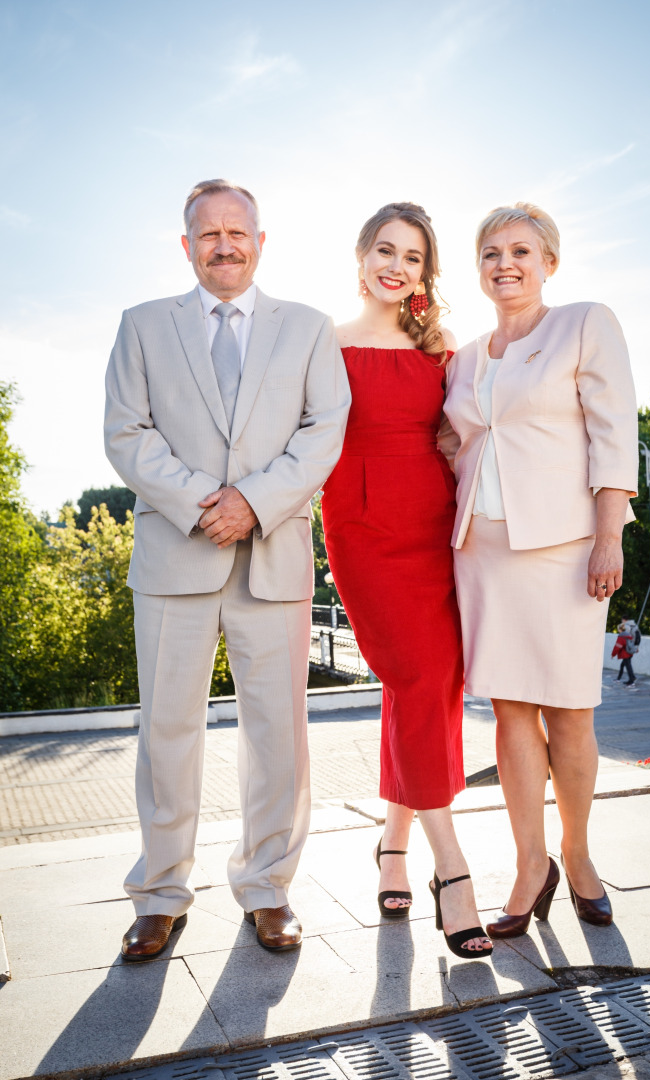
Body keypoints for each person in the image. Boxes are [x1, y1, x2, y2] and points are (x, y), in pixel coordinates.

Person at [104, 179, 351, 959]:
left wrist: (253, 502)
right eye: (206, 233)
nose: (223, 244)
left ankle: (268, 888)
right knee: (167, 731)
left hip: (272, 558)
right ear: (186, 245)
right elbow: (126, 433)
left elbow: (324, 432)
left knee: (278, 736)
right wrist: (205, 504)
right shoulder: (141, 326)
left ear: (260, 240)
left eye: (236, 231)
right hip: (175, 555)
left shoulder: (309, 329)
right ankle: (160, 892)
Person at [440, 202, 638, 936]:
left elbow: (615, 434)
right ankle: (530, 867)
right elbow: (448, 442)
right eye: (490, 252)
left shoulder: (584, 322)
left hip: (563, 547)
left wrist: (608, 535)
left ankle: (577, 855)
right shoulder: (463, 357)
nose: (504, 263)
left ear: (548, 261)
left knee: (569, 709)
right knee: (509, 711)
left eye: (520, 250)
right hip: (482, 553)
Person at [322, 202, 492, 959]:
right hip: (359, 525)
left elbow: (457, 436)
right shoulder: (322, 343)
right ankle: (449, 869)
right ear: (360, 258)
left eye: (413, 257)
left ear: (425, 272)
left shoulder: (438, 346)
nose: (396, 265)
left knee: (429, 681)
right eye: (384, 250)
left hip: (432, 521)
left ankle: (392, 846)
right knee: (414, 674)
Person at [613, 617, 639, 686]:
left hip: (625, 654)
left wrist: (613, 654)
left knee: (628, 667)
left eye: (618, 629)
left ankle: (631, 681)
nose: (618, 630)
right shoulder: (628, 635)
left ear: (620, 629)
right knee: (624, 665)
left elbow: (617, 646)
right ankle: (631, 678)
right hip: (629, 653)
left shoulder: (621, 636)